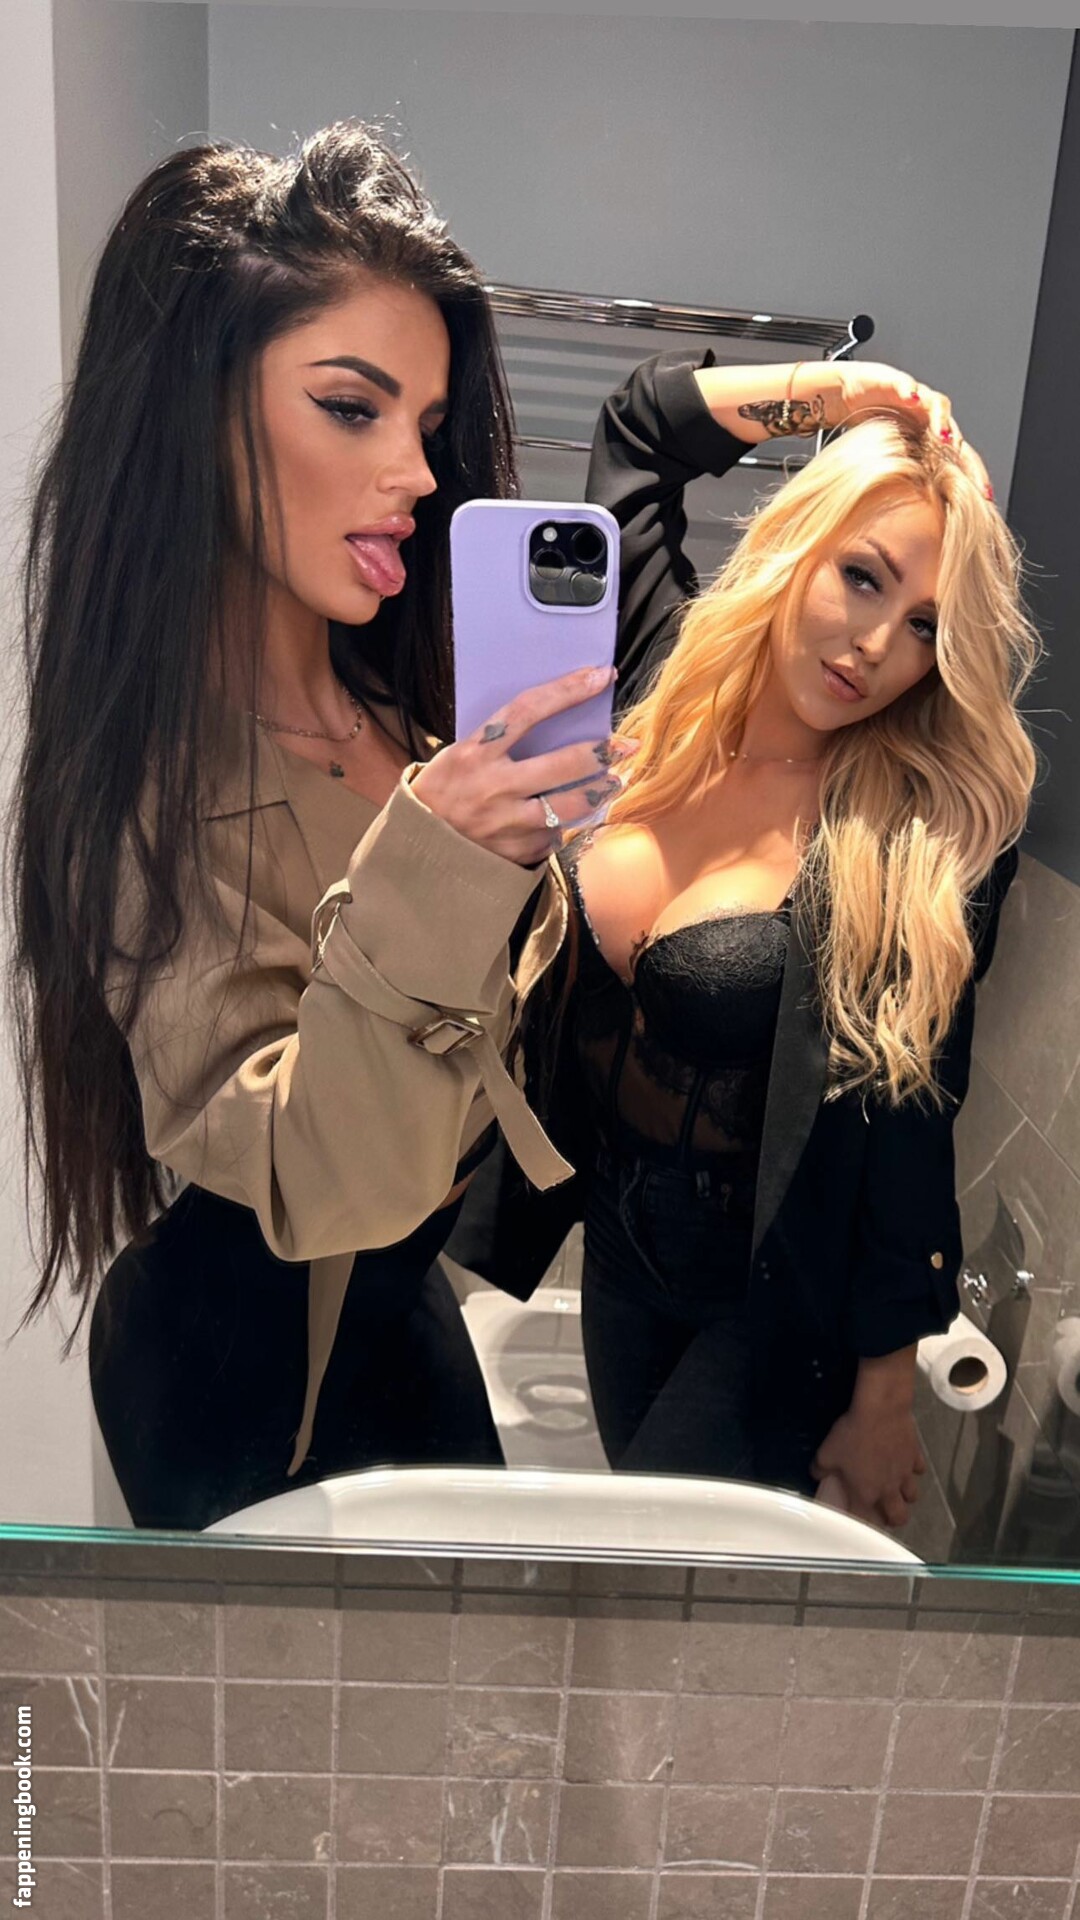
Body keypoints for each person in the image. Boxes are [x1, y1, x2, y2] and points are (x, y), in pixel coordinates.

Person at [9, 123, 620, 1530]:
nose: (418, 471)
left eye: (427, 424)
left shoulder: (408, 719)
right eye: (352, 408)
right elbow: (313, 1176)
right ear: (194, 410)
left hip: (399, 1316)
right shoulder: (148, 788)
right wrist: (445, 866)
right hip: (234, 1380)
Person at [451, 350, 1037, 1532]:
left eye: (924, 626)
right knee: (644, 1565)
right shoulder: (650, 684)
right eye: (862, 577)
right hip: (617, 1271)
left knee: (647, 1578)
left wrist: (883, 1399)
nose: (875, 645)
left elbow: (912, 1123)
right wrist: (850, 396)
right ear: (795, 548)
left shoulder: (909, 834)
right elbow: (640, 431)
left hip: (769, 1316)